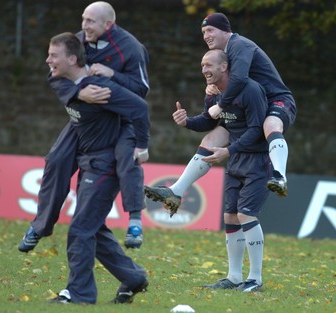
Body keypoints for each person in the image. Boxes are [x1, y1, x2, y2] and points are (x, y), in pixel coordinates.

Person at [18, 1, 149, 252]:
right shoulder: (77, 42)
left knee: (128, 157)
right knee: (56, 160)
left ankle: (135, 222)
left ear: (108, 24)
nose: (84, 26)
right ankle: (40, 226)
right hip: (85, 116)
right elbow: (55, 75)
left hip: (120, 119)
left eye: (90, 21)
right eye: (83, 19)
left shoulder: (131, 48)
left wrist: (113, 75)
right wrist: (81, 93)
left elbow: (141, 91)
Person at [144, 12, 296, 214]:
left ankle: (279, 176)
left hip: (277, 100)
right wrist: (188, 121)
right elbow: (214, 111)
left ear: (226, 30)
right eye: (203, 32)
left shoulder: (239, 44)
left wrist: (221, 104)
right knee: (210, 140)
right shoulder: (223, 56)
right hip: (249, 106)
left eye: (210, 30)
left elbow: (240, 78)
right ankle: (176, 191)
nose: (206, 35)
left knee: (270, 124)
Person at [45, 32, 150, 304]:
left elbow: (140, 104)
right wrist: (79, 93)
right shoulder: (74, 81)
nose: (48, 60)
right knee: (94, 229)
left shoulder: (105, 84)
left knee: (81, 229)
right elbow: (55, 79)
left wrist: (141, 146)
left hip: (106, 166)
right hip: (90, 163)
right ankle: (134, 277)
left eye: (54, 56)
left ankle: (80, 293)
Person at [174, 49, 270, 291]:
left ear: (225, 67)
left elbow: (257, 129)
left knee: (246, 214)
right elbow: (209, 121)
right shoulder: (215, 93)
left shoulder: (250, 89)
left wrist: (230, 150)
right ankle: (234, 277)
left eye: (209, 65)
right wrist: (186, 122)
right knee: (230, 216)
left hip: (257, 161)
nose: (204, 70)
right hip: (236, 160)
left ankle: (255, 279)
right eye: (202, 65)